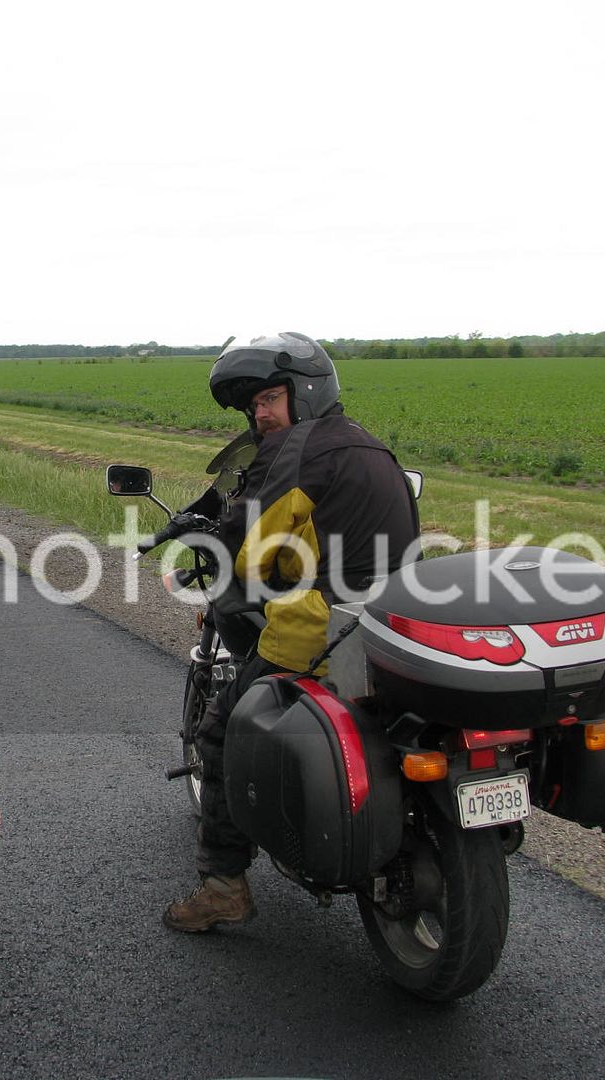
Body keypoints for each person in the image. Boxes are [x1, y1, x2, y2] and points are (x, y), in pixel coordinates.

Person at [161, 331, 422, 933]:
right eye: (254, 407)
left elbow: (250, 551)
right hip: (392, 625)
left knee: (219, 733)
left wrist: (212, 542)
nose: (259, 415)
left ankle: (224, 886)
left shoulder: (294, 451)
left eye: (269, 400)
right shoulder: (368, 446)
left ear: (304, 394)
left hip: (322, 630)